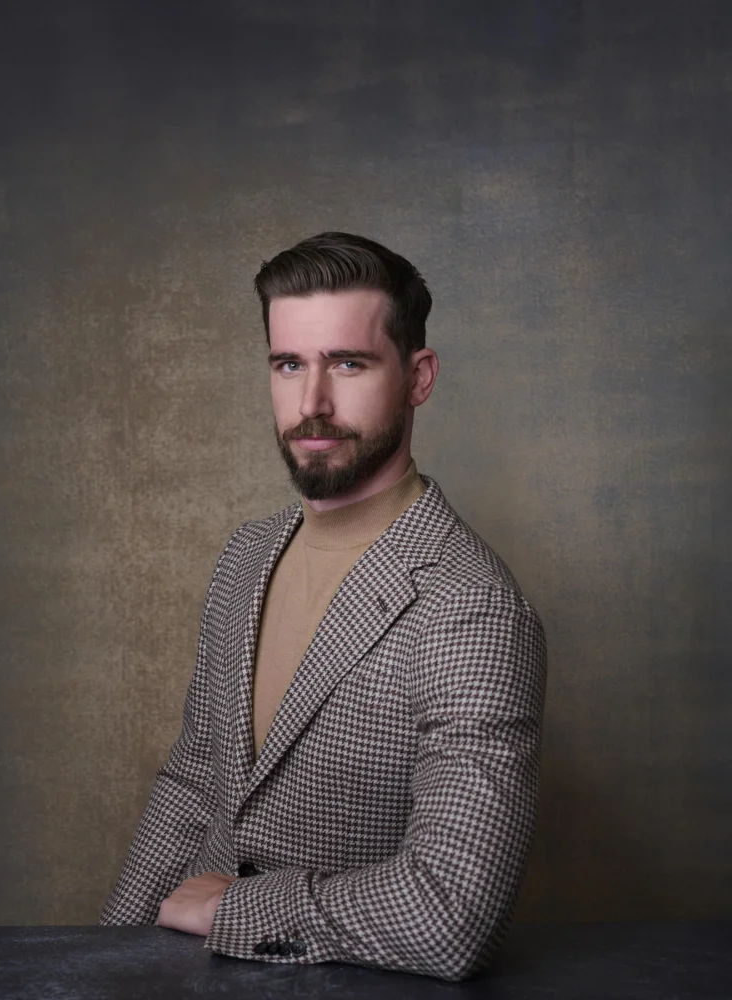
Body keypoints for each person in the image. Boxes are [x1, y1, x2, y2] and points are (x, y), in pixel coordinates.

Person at [100, 231, 547, 981]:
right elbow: (193, 784)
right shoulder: (246, 556)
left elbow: (450, 913)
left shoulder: (472, 610)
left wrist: (234, 911)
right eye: (288, 364)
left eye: (348, 363)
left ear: (418, 376)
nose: (312, 404)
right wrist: (100, 964)